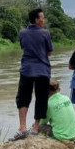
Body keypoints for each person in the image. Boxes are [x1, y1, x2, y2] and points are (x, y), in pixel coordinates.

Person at [12, 8, 53, 141]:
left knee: (23, 97)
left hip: (27, 69)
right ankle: (35, 128)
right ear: (36, 20)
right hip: (42, 70)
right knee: (41, 98)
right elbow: (49, 52)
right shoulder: (45, 33)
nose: (43, 20)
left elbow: (24, 48)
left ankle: (22, 127)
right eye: (42, 18)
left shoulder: (22, 33)